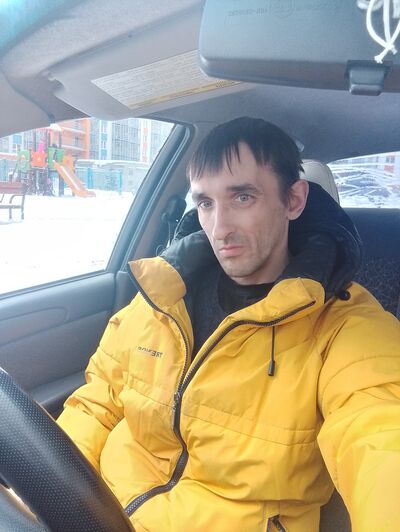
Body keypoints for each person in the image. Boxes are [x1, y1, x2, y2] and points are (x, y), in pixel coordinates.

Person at [58, 117, 400, 532]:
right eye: (205, 203)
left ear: (293, 200)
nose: (220, 228)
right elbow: (96, 404)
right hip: (97, 512)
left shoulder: (344, 325)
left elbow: (380, 436)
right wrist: (48, 492)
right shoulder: (164, 296)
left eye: (242, 197)